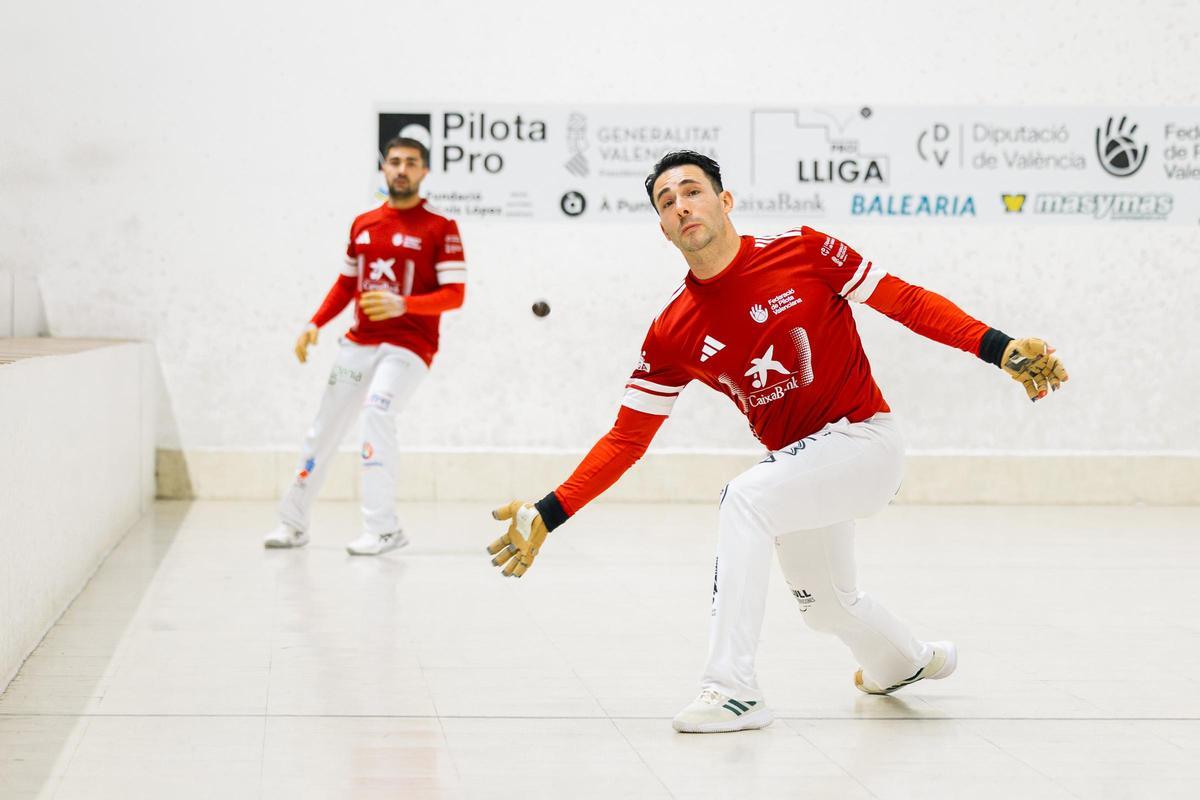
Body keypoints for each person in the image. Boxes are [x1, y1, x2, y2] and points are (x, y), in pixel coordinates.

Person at [486, 150, 1067, 733]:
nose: (682, 205)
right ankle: (905, 663)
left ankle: (732, 689)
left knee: (745, 499)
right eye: (667, 202)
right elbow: (626, 439)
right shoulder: (671, 331)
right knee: (827, 605)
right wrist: (549, 511)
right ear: (662, 229)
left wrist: (999, 348)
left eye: (692, 191)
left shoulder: (805, 250)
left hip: (864, 441)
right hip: (801, 467)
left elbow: (905, 301)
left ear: (724, 201)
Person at [264, 137, 467, 555]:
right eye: (395, 162)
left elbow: (455, 294)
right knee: (324, 428)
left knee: (377, 411)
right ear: (384, 168)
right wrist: (314, 322)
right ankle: (293, 523)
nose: (402, 169)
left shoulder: (441, 228)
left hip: (409, 347)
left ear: (424, 172)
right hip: (358, 344)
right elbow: (346, 283)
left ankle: (384, 529)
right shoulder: (364, 224)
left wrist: (403, 304)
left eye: (412, 163)